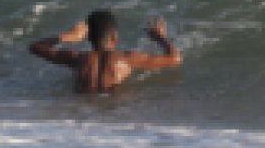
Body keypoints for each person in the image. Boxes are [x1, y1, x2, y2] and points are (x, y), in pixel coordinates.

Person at [28, 10, 182, 93]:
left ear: (88, 37)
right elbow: (175, 59)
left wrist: (68, 36)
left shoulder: (78, 58)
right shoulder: (127, 59)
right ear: (114, 36)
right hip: (116, 113)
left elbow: (36, 47)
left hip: (83, 113)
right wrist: (160, 37)